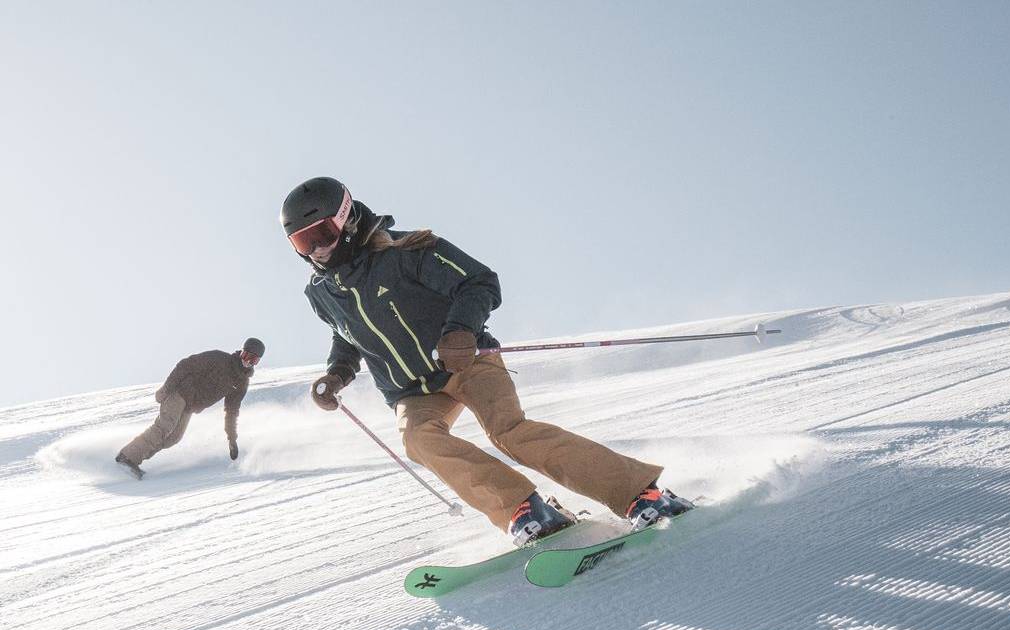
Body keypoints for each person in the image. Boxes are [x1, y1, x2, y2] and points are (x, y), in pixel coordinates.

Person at [279, 177, 693, 543]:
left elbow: (479, 282)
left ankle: (640, 493)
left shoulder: (408, 250)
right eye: (303, 242)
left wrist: (459, 329)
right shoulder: (321, 293)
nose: (317, 249)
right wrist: (337, 373)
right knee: (418, 439)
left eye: (323, 233)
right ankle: (524, 509)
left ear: (347, 218)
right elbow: (346, 335)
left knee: (509, 432)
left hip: (466, 361)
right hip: (411, 389)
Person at [115, 338, 265, 478]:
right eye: (246, 355)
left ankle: (135, 459)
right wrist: (166, 389)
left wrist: (232, 439)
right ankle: (127, 457)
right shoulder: (220, 358)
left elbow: (231, 411)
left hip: (190, 407)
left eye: (253, 360)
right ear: (241, 352)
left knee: (173, 439)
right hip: (180, 392)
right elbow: (186, 365)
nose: (248, 362)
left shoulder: (241, 383)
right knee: (165, 427)